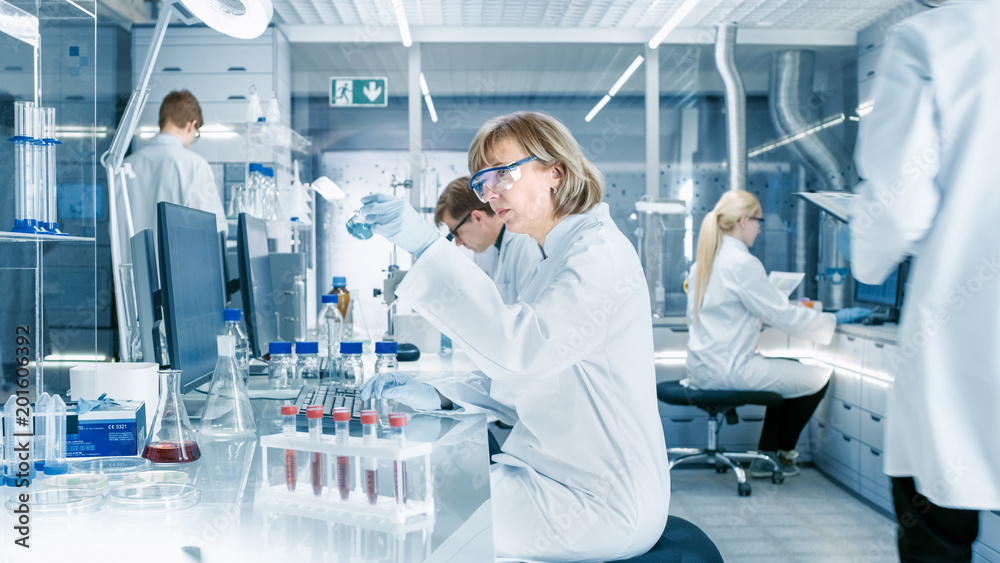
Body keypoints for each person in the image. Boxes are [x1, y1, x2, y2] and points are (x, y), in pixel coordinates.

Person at [358, 111, 670, 562]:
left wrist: (428, 247)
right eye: (482, 182)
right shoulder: (553, 257)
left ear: (555, 173)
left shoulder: (598, 256)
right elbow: (527, 381)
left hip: (598, 500)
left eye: (501, 174)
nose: (489, 193)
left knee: (413, 518)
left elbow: (520, 353)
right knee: (404, 488)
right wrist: (439, 395)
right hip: (554, 476)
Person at [850, 1, 1000, 559]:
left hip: (967, 349)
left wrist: (863, 257)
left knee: (938, 518)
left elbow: (897, 210)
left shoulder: (934, 38)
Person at [685, 190, 870, 477]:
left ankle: (767, 453)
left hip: (701, 369)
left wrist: (766, 311)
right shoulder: (742, 264)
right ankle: (778, 456)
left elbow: (727, 315)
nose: (760, 228)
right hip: (731, 370)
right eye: (758, 221)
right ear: (743, 221)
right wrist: (832, 318)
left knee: (791, 369)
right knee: (818, 375)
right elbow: (781, 315)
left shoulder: (705, 262)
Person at [122, 90, 227, 235]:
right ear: (191, 125)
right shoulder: (196, 166)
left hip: (127, 259)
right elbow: (216, 231)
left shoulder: (124, 167)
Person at [434, 175, 543, 304]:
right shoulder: (503, 248)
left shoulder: (524, 245)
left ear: (477, 218)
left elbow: (534, 315)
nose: (458, 242)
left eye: (456, 232)